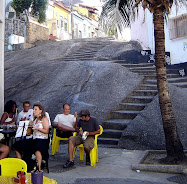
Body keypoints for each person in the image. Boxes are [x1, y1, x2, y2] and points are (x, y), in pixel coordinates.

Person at [32, 103, 50, 171]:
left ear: (40, 110)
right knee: (19, 145)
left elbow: (46, 131)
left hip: (43, 139)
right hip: (35, 138)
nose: (34, 111)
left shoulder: (44, 119)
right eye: (33, 109)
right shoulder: (35, 120)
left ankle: (38, 167)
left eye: (35, 109)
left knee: (37, 147)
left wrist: (37, 128)